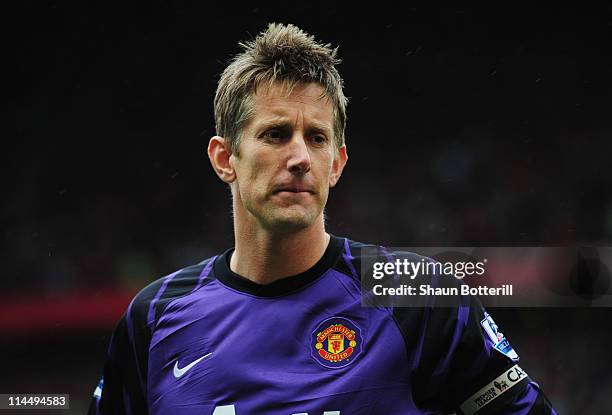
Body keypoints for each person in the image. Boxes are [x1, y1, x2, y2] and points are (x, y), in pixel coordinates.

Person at [88, 23, 556, 414]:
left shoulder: (416, 296)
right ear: (224, 157)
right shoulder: (154, 317)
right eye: (275, 134)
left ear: (337, 162)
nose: (299, 157)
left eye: (316, 138)